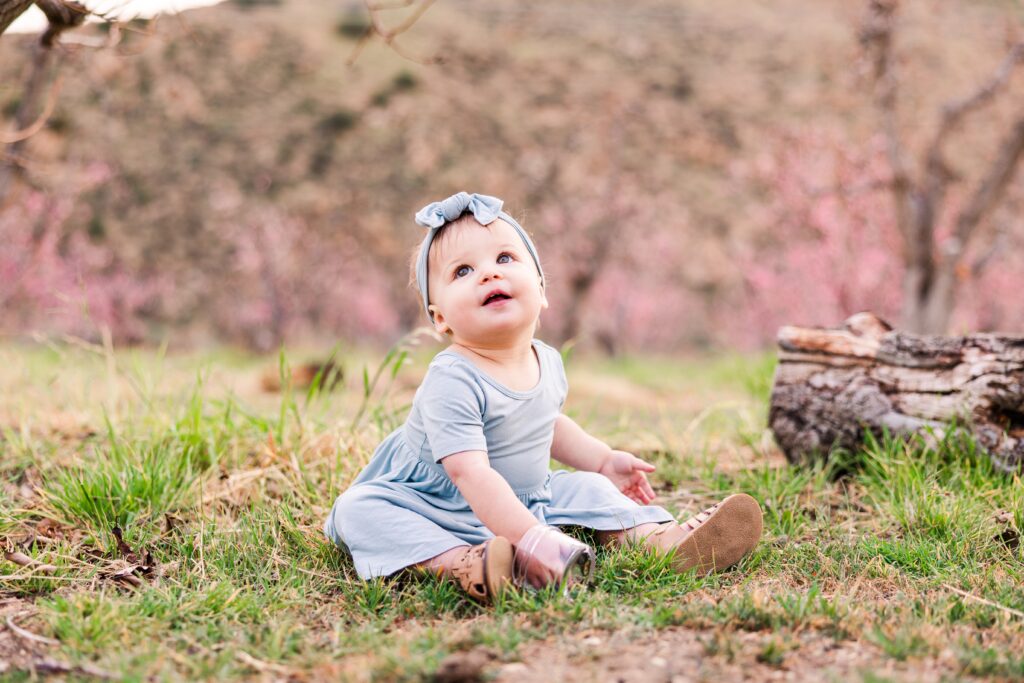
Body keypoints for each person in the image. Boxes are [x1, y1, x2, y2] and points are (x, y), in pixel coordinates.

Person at [323, 192, 763, 602]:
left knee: (588, 486)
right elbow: (469, 474)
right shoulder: (451, 378)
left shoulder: (546, 360)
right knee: (358, 511)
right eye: (463, 271)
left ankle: (658, 539)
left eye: (504, 258)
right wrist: (533, 536)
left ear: (542, 290)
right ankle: (458, 563)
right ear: (440, 320)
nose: (489, 273)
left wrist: (603, 460)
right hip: (436, 505)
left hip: (527, 496)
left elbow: (547, 423)